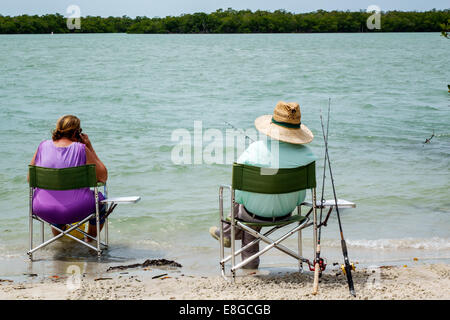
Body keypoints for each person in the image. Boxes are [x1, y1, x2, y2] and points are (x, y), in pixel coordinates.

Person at [210, 101, 317, 269]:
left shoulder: (254, 150)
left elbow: (238, 194)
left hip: (254, 214)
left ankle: (233, 242)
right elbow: (301, 197)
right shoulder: (308, 155)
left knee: (246, 215)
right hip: (287, 213)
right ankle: (229, 235)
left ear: (272, 127)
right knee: (250, 210)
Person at [29, 115, 108, 242]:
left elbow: (30, 179)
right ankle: (89, 240)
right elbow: (103, 177)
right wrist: (90, 147)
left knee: (53, 196)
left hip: (43, 208)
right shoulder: (81, 149)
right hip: (76, 209)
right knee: (101, 203)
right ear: (76, 132)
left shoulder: (42, 147)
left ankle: (62, 241)